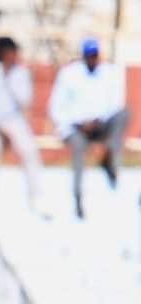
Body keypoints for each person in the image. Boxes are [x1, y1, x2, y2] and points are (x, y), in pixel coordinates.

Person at [48, 38, 129, 219]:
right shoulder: (69, 74)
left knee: (124, 115)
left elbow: (116, 104)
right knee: (78, 148)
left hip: (101, 125)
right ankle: (77, 196)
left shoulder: (110, 72)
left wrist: (98, 121)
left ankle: (112, 162)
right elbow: (56, 107)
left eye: (94, 55)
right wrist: (78, 122)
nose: (92, 59)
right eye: (89, 55)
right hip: (76, 128)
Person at [0, 37, 43, 212]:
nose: (13, 56)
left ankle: (36, 195)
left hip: (13, 118)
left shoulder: (20, 72)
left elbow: (25, 101)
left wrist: (8, 79)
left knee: (29, 149)